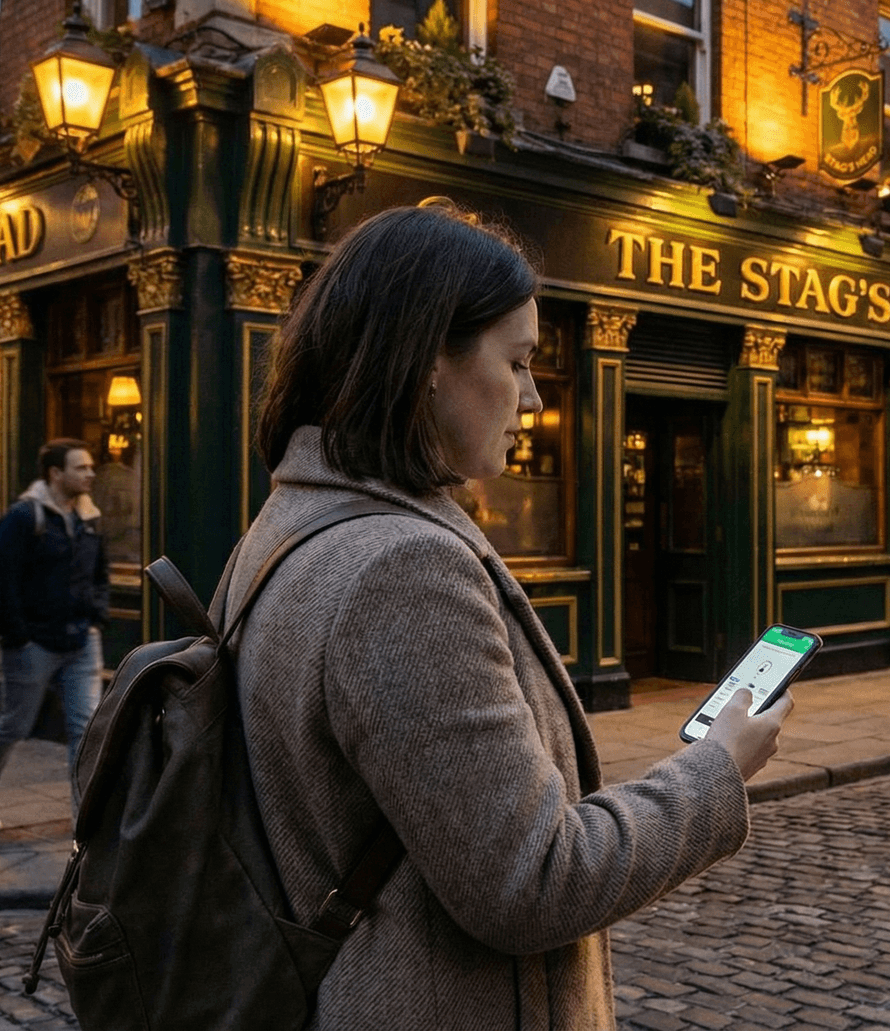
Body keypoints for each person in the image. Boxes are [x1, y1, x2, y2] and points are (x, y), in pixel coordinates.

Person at [234, 202, 791, 1028]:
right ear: (427, 357)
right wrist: (717, 768)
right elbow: (534, 880)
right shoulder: (401, 571)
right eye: (520, 360)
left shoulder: (289, 523)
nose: (533, 397)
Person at [0, 438, 108, 832]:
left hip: (81, 639)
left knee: (86, 727)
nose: (90, 473)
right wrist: (19, 636)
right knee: (15, 723)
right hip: (34, 642)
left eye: (90, 466)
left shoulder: (89, 517)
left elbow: (99, 573)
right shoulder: (24, 517)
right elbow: (3, 579)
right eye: (81, 467)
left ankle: (86, 816)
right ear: (56, 474)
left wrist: (96, 616)